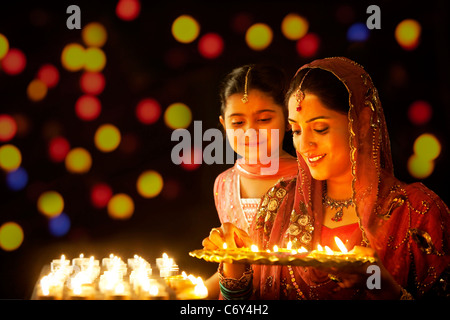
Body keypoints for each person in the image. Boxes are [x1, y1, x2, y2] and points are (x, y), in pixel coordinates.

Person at [202, 57, 450, 299]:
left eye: (320, 128)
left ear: (361, 122)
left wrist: (384, 287)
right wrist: (233, 264)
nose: (304, 144)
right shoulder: (278, 204)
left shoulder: (417, 212)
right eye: (297, 130)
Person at [203, 64, 299, 298]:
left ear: (288, 120)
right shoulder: (224, 184)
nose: (250, 132)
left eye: (264, 119)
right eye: (237, 123)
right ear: (223, 124)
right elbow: (235, 266)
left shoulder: (308, 178)